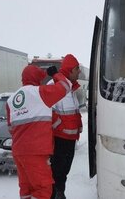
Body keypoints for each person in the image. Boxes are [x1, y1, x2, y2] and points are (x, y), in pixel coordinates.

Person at [6, 65, 71, 199]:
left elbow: (11, 128)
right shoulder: (40, 92)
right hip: (36, 151)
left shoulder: (10, 100)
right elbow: (66, 86)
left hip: (18, 151)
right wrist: (55, 74)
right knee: (43, 188)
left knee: (26, 188)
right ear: (37, 79)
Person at [49, 54, 82, 199]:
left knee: (63, 171)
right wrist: (60, 126)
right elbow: (47, 111)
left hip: (69, 139)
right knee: (57, 173)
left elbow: (73, 111)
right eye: (77, 69)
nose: (79, 72)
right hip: (59, 139)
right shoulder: (55, 85)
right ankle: (55, 195)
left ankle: (60, 193)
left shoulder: (70, 88)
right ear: (69, 70)